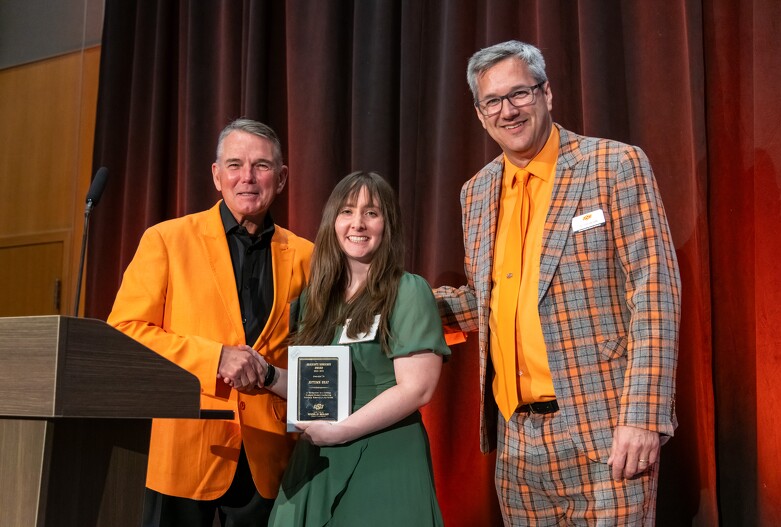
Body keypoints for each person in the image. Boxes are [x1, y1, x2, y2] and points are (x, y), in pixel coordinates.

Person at [434, 40, 681, 525]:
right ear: (480, 115)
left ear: (546, 93)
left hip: (606, 429)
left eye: (519, 93)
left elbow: (655, 291)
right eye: (493, 101)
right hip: (517, 443)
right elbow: (486, 300)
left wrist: (643, 415)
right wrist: (396, 303)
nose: (508, 110)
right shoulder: (476, 192)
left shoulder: (614, 165)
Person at [108, 118, 313, 526]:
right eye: (235, 165)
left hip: (270, 459)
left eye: (262, 165)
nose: (247, 177)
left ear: (282, 178)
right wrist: (215, 358)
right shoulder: (166, 240)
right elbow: (125, 333)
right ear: (217, 176)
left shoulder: (309, 256)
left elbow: (317, 349)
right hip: (184, 449)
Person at [265, 171, 451, 526]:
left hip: (386, 458)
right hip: (319, 459)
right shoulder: (315, 299)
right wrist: (268, 375)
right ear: (332, 222)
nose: (358, 223)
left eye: (371, 213)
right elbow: (311, 385)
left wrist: (341, 431)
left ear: (387, 224)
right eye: (347, 211)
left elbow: (418, 388)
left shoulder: (407, 291)